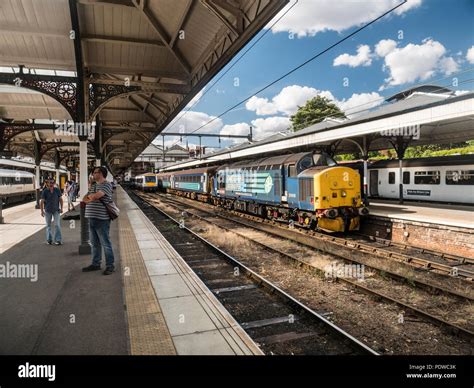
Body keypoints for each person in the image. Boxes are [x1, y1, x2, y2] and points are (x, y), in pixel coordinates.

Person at [82, 166, 116, 275]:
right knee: (95, 243)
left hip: (102, 219)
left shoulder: (107, 184)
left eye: (94, 172)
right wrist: (91, 197)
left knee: (105, 243)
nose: (93, 174)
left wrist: (91, 197)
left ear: (100, 173)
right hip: (92, 218)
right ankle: (96, 264)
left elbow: (96, 196)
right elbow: (84, 198)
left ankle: (110, 266)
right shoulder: (94, 185)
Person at [40, 179, 63, 245]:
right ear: (47, 183)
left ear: (54, 183)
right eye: (50, 183)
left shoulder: (57, 190)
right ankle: (49, 240)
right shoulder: (45, 191)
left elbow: (60, 199)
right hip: (48, 211)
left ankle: (58, 240)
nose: (51, 184)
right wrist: (42, 211)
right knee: (48, 226)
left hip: (56, 210)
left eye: (52, 183)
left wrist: (61, 208)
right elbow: (42, 202)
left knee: (57, 225)